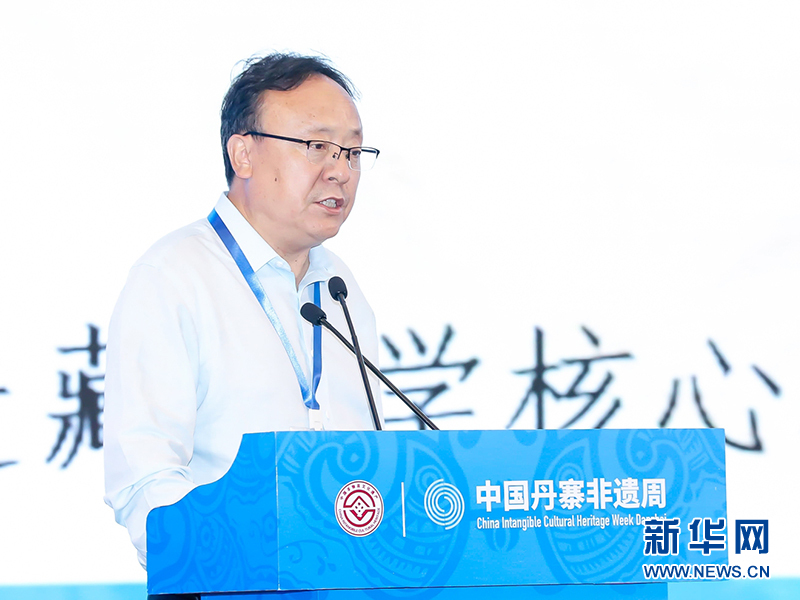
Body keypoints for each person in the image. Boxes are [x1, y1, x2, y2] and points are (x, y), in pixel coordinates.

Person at [103, 53, 384, 575]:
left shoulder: (341, 290)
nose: (341, 170)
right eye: (317, 146)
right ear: (243, 154)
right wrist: (230, 562)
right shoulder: (174, 276)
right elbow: (145, 475)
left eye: (352, 151)